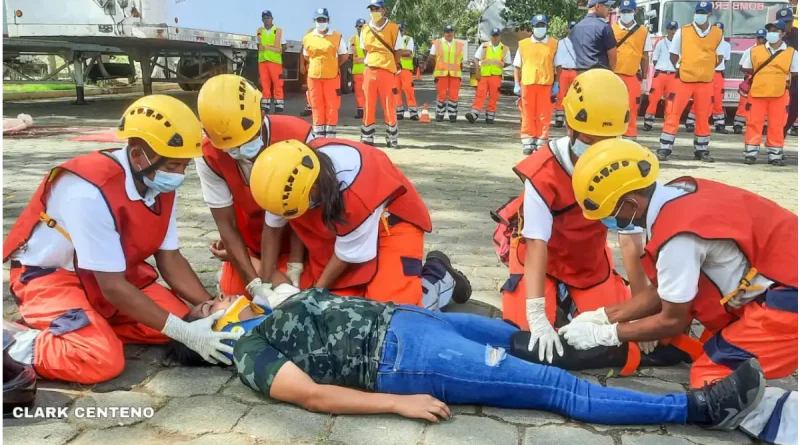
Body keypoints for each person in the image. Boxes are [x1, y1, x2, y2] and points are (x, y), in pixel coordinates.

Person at [223, 288, 764, 431]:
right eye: (207, 306)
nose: (213, 297)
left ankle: (643, 356)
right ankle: (699, 410)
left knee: (528, 340)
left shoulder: (265, 305)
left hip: (413, 320)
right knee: (557, 389)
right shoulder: (248, 350)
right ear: (213, 333)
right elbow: (313, 397)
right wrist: (398, 404)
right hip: (404, 357)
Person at [568, 138, 798, 444]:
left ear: (632, 204)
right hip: (777, 273)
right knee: (715, 344)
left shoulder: (677, 238)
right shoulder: (680, 191)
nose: (611, 223)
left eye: (611, 214)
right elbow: (669, 289)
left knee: (713, 379)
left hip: (786, 297)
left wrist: (607, 335)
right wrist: (601, 316)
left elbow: (672, 319)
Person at [1, 95, 239, 384]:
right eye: (175, 166)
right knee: (100, 359)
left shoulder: (155, 179)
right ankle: (14, 340)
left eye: (185, 166)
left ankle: (86, 326)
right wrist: (183, 331)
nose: (180, 175)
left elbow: (170, 259)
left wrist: (219, 310)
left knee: (187, 320)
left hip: (113, 274)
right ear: (138, 155)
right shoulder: (89, 189)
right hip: (53, 278)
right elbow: (112, 287)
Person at [499, 70, 648, 366]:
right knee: (528, 339)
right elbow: (537, 242)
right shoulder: (543, 170)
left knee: (624, 340)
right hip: (540, 259)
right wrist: (537, 315)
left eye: (608, 141)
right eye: (592, 141)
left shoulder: (627, 164)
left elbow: (631, 241)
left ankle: (574, 301)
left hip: (588, 261)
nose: (598, 152)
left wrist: (642, 311)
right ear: (570, 128)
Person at [249, 138, 472, 310]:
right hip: (340, 230)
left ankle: (439, 278)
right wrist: (265, 282)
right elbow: (273, 228)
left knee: (391, 314)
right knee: (340, 308)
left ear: (313, 188)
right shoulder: (283, 176)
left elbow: (346, 254)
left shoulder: (357, 192)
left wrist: (314, 296)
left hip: (391, 223)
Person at [195, 74, 314, 303]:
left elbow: (306, 210)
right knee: (240, 296)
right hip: (254, 246)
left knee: (309, 295)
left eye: (246, 139)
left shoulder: (298, 135)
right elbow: (226, 223)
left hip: (301, 239)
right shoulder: (209, 154)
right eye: (231, 146)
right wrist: (256, 284)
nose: (240, 150)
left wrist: (295, 266)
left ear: (260, 112)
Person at [658, 1, 725, 163]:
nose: (700, 14)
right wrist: (681, 68)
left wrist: (705, 68)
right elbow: (673, 54)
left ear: (709, 14)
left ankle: (701, 150)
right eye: (698, 11)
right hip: (684, 80)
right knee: (673, 114)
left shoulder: (717, 33)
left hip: (705, 81)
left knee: (703, 116)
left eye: (703, 12)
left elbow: (719, 56)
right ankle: (665, 148)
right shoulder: (684, 31)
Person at [741, 20, 797, 166]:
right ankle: (751, 153)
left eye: (776, 30)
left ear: (783, 34)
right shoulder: (754, 50)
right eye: (771, 30)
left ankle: (775, 154)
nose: (772, 33)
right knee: (754, 122)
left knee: (777, 124)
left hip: (779, 94)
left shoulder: (792, 53)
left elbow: (795, 71)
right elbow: (745, 67)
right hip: (757, 92)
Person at [514, 15, 561, 155]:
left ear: (547, 26)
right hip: (527, 83)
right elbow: (517, 66)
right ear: (532, 27)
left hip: (546, 84)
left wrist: (557, 83)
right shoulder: (523, 44)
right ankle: (528, 141)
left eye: (543, 25)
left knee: (544, 114)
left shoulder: (553, 44)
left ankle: (541, 141)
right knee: (527, 113)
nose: (540, 28)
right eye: (537, 25)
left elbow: (558, 66)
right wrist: (516, 83)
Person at [360, 0, 402, 148]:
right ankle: (367, 136)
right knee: (368, 103)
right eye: (371, 9)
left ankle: (392, 137)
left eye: (376, 8)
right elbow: (365, 49)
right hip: (369, 69)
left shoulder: (393, 28)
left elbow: (398, 51)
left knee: (389, 104)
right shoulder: (365, 28)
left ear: (384, 10)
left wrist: (392, 64)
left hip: (386, 70)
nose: (374, 11)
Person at [303, 9, 350, 139]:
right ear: (315, 21)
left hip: (332, 77)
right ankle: (318, 135)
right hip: (314, 77)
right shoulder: (308, 37)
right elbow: (307, 56)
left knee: (332, 105)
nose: (321, 22)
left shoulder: (336, 36)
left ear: (328, 20)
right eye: (319, 20)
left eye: (323, 20)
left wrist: (332, 65)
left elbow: (344, 55)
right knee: (316, 104)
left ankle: (330, 136)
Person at [612, 0, 653, 140]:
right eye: (623, 11)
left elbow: (645, 56)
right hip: (614, 76)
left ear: (635, 11)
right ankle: (611, 137)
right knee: (612, 107)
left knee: (632, 109)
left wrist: (645, 79)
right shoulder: (611, 29)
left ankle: (629, 139)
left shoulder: (643, 31)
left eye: (629, 11)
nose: (626, 14)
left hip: (632, 77)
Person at [685, 22, 730, 134]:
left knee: (717, 100)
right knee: (701, 99)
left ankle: (719, 124)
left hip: (718, 74)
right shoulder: (707, 41)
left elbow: (725, 60)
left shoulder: (726, 45)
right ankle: (691, 122)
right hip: (707, 73)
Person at [465, 27, 511, 125]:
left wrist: (499, 66)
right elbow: (476, 59)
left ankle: (490, 116)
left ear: (499, 36)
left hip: (496, 76)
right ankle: (474, 114)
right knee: (480, 94)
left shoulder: (505, 49)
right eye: (493, 36)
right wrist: (477, 71)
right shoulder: (484, 46)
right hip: (484, 75)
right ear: (490, 36)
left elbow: (507, 63)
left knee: (493, 96)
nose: (495, 38)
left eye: (496, 36)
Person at [644, 21, 679, 132]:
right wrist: (661, 67)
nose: (672, 31)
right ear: (667, 30)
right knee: (654, 98)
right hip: (661, 74)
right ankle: (648, 122)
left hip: (673, 75)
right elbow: (654, 59)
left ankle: (668, 124)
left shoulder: (680, 44)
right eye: (671, 29)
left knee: (671, 101)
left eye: (674, 29)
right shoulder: (661, 43)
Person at [732, 29, 767, 135]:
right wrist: (753, 72)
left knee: (763, 103)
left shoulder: (770, 51)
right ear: (756, 38)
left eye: (763, 38)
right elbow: (741, 66)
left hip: (765, 79)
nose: (761, 40)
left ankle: (764, 125)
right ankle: (738, 124)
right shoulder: (749, 50)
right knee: (744, 102)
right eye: (759, 37)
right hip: (751, 79)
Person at [428, 25, 465, 123]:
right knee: (442, 95)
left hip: (455, 75)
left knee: (454, 95)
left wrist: (460, 73)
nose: (449, 34)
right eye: (447, 32)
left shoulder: (459, 44)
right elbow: (431, 58)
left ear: (454, 33)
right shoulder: (437, 43)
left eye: (451, 32)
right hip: (441, 74)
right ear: (443, 33)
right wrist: (434, 71)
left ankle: (452, 116)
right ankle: (439, 115)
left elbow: (460, 61)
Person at [569, 0, 617, 71]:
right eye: (606, 6)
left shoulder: (575, 28)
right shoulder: (604, 27)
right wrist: (610, 72)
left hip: (579, 76)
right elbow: (613, 57)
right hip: (598, 75)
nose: (608, 9)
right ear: (597, 6)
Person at [257, 10, 287, 114]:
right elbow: (259, 45)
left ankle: (279, 106)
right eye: (264, 18)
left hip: (275, 62)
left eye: (268, 17)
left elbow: (284, 46)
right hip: (263, 61)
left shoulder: (278, 31)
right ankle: (265, 106)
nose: (266, 19)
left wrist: (276, 53)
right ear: (262, 20)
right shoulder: (259, 31)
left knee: (277, 83)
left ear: (272, 18)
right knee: (265, 83)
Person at [776, 7, 797, 136]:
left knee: (794, 110)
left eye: (788, 22)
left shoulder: (796, 35)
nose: (787, 25)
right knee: (779, 111)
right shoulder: (773, 37)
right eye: (784, 22)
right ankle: (778, 137)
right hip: (779, 79)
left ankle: (782, 133)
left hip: (795, 78)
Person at [553, 21, 578, 128]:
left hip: (575, 71)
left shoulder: (581, 42)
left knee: (575, 95)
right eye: (571, 28)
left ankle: (572, 118)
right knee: (560, 95)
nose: (573, 30)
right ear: (568, 29)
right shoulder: (561, 42)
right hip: (562, 71)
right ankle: (559, 117)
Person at [395, 22, 419, 121]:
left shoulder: (408, 39)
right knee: (396, 91)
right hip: (395, 69)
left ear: (404, 30)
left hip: (405, 69)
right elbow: (404, 53)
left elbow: (408, 52)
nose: (400, 31)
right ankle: (399, 112)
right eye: (398, 29)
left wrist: (396, 53)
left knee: (409, 90)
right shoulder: (392, 39)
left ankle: (413, 113)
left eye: (401, 29)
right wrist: (402, 53)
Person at [350, 19, 367, 120]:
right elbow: (350, 55)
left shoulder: (370, 38)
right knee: (359, 92)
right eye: (359, 26)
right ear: (356, 27)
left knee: (368, 92)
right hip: (357, 71)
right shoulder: (352, 39)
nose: (361, 28)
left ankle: (368, 111)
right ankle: (360, 111)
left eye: (363, 26)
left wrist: (363, 60)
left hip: (368, 70)